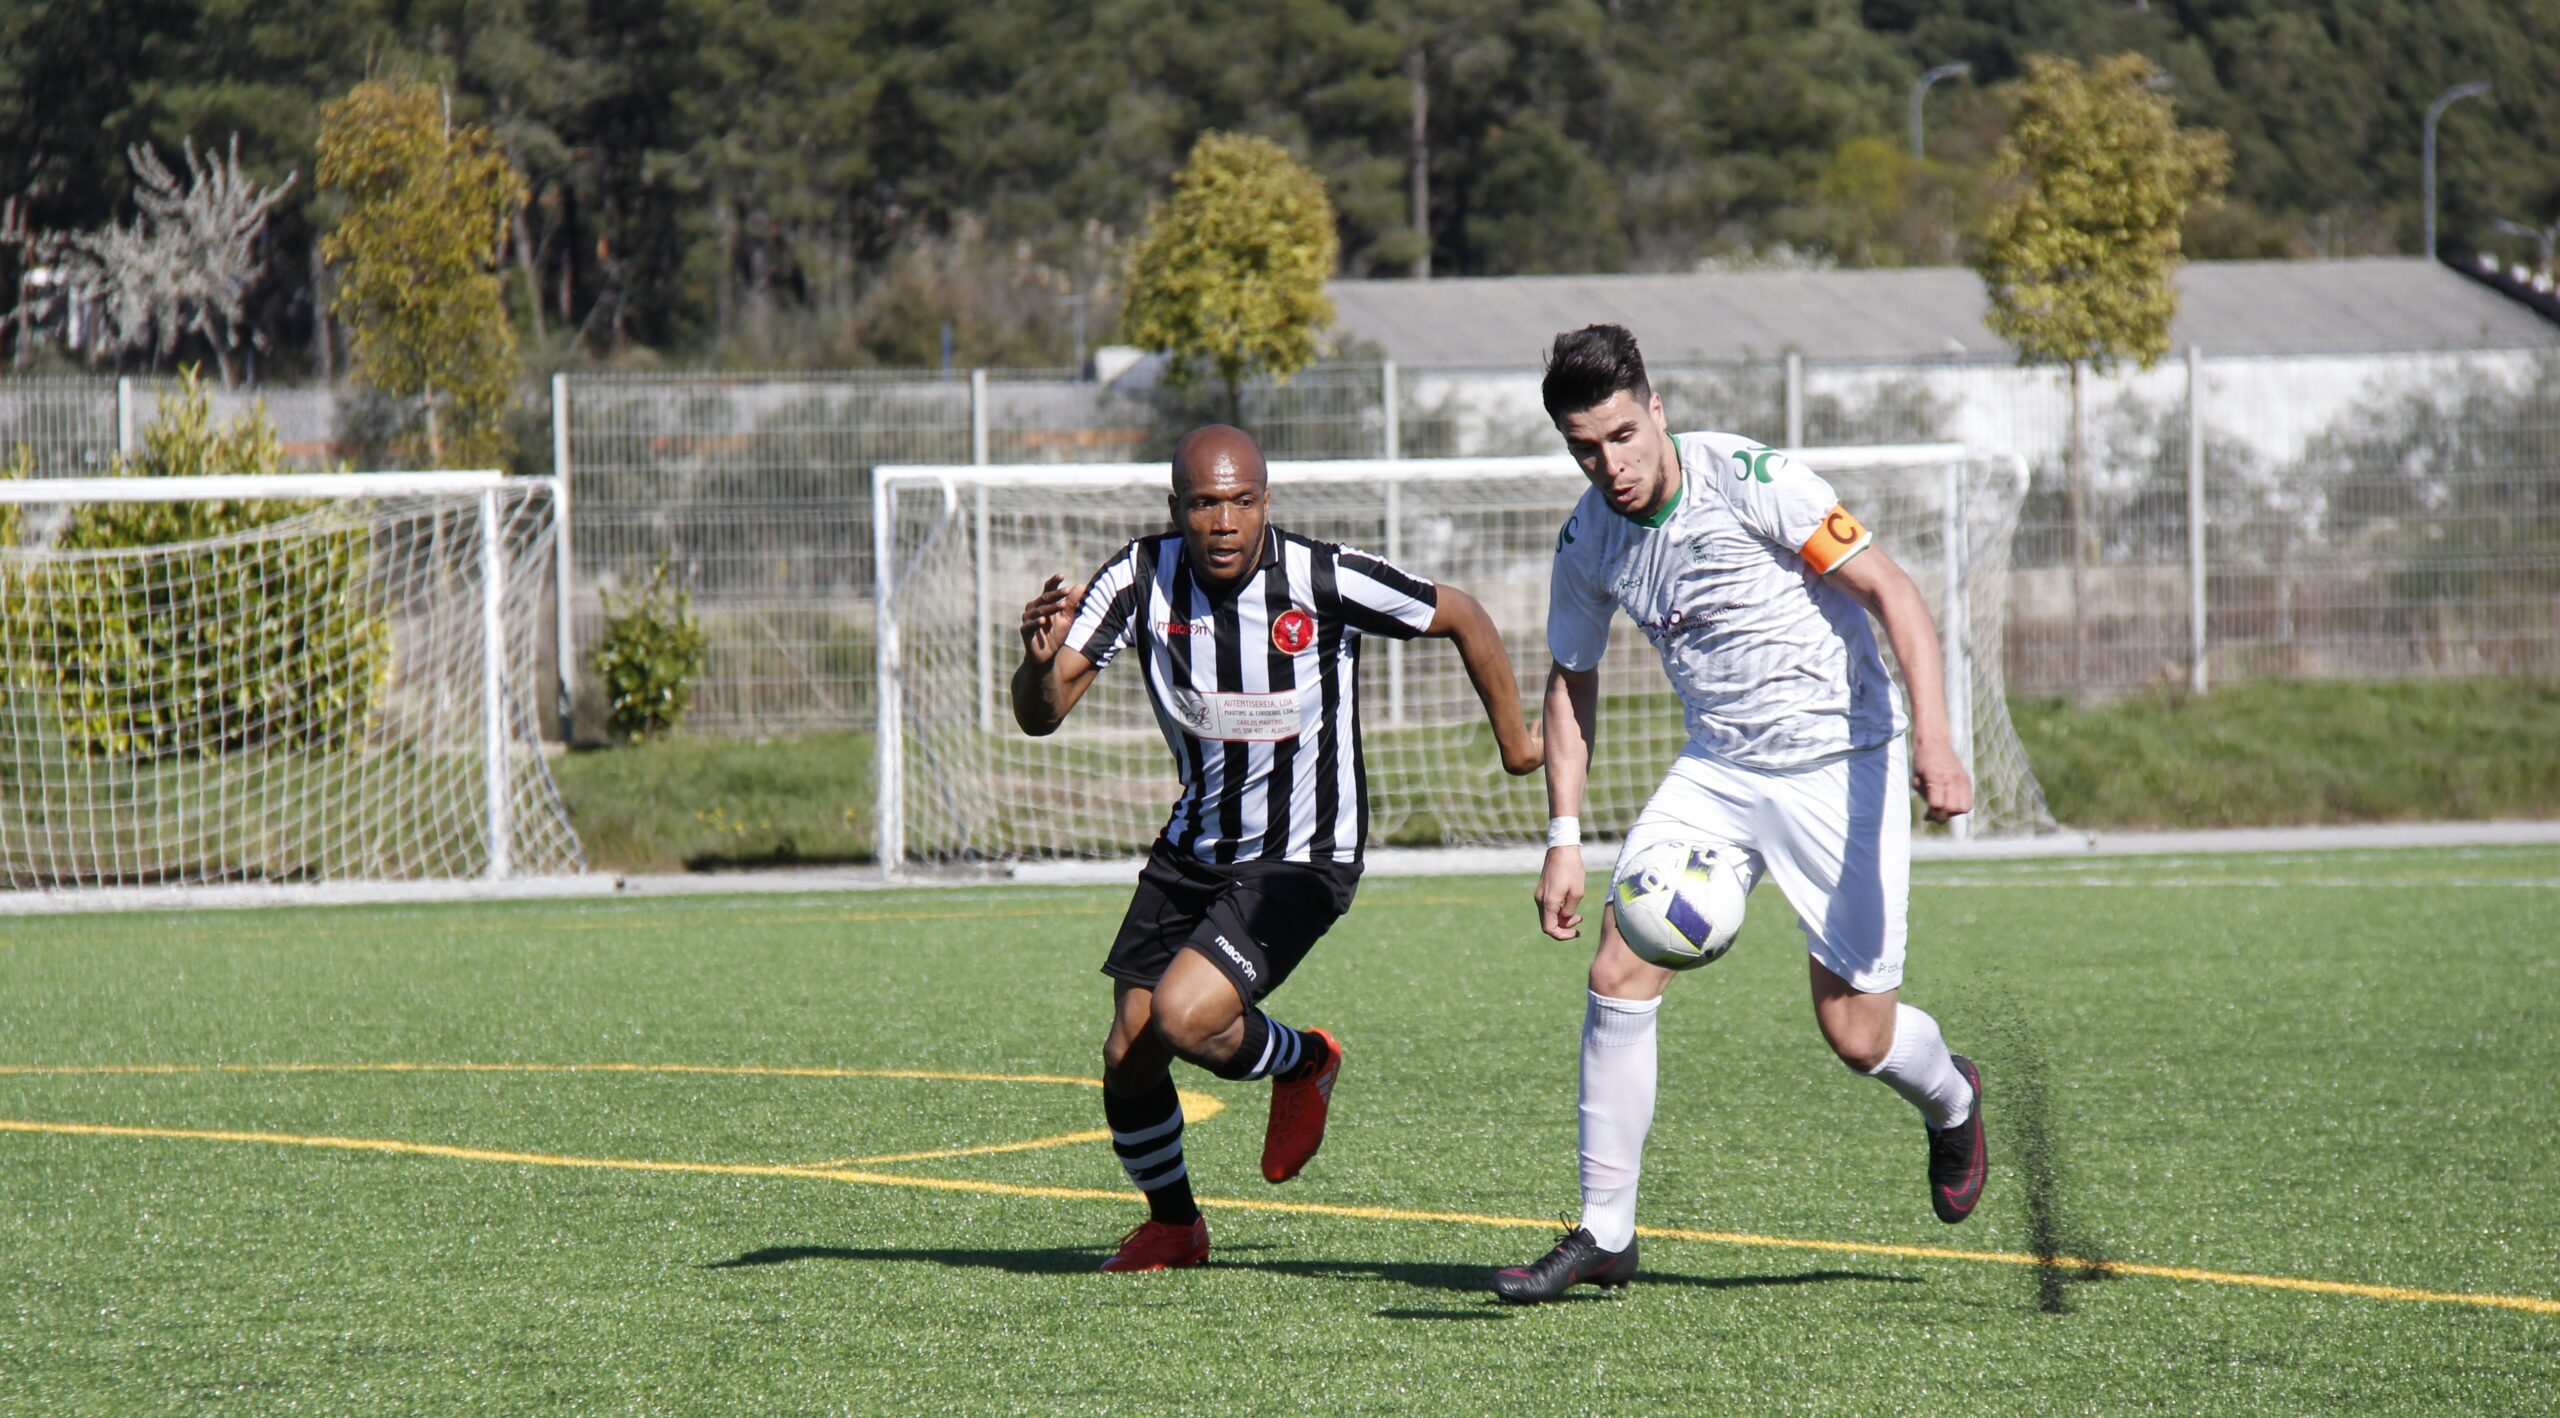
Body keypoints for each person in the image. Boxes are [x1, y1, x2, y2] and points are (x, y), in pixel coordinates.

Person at [1490, 325, 1986, 1304]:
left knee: (1855, 1032)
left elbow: (1891, 591)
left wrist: (1935, 740)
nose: (1611, 464)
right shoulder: (1587, 542)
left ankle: (1952, 1097)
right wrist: (1563, 837)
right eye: (1585, 448)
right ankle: (1605, 1230)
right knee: (1618, 966)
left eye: (1623, 436)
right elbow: (1571, 679)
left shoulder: (1749, 479)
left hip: (1842, 759)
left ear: (1656, 410)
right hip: (1718, 767)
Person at [1014, 423, 1541, 1274]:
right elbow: (1041, 715)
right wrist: (1036, 665)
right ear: (1176, 509)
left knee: (1185, 1017)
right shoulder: (1139, 577)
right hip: (1194, 847)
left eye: (1240, 502)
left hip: (1304, 853)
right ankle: (1175, 1227)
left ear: (1267, 502)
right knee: (1129, 1053)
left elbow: (1462, 614)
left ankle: (1304, 1061)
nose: (1223, 522)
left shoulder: (1321, 577)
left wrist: (1516, 744)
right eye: (1204, 504)